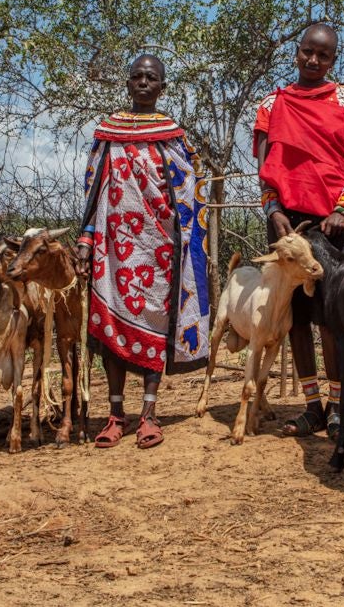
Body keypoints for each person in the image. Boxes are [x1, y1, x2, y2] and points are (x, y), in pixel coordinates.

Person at [74, 54, 211, 449]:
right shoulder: (107, 132)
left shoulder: (174, 135)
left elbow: (191, 186)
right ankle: (115, 414)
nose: (144, 83)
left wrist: (182, 233)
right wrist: (86, 238)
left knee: (156, 322)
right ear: (128, 83)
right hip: (112, 247)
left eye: (152, 77)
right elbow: (92, 190)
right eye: (137, 76)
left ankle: (149, 414)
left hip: (159, 247)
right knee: (109, 325)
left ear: (162, 87)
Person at [253, 23, 344, 439]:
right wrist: (273, 209)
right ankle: (312, 407)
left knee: (334, 318)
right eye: (307, 52)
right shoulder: (272, 103)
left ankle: (338, 409)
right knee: (297, 316)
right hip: (288, 223)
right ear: (297, 52)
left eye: (324, 56)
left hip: (333, 221)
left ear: (333, 60)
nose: (314, 61)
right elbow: (265, 167)